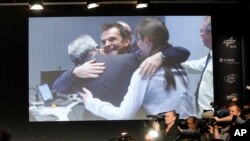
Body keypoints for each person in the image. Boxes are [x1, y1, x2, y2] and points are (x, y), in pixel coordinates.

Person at [79, 17, 195, 120]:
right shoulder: (178, 66)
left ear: (145, 41)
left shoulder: (144, 72)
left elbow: (123, 116)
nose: (137, 44)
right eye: (104, 41)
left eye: (138, 40)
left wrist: (91, 103)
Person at [53, 21, 190, 107]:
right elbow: (58, 86)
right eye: (104, 41)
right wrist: (74, 72)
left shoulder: (138, 55)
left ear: (127, 41)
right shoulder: (91, 66)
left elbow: (182, 52)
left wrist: (160, 56)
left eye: (112, 40)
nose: (107, 45)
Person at [181, 16, 213, 117]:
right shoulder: (210, 57)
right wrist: (173, 64)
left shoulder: (221, 59)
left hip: (212, 115)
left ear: (211, 31)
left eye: (202, 31)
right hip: (205, 114)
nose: (200, 34)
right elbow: (194, 65)